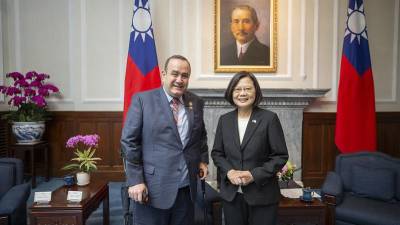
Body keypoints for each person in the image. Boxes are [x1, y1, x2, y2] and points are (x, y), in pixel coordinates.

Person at [121, 55, 209, 225]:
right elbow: (129, 141)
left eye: (184, 75)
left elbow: (200, 135)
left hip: (186, 188)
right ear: (163, 74)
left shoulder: (195, 102)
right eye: (174, 74)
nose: (179, 80)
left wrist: (202, 160)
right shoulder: (143, 100)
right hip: (153, 189)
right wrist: (135, 180)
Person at [211, 71, 288, 225]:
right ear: (231, 92)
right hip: (232, 196)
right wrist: (230, 172)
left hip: (262, 195)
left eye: (247, 89)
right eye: (237, 89)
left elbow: (280, 156)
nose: (242, 93)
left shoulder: (269, 118)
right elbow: (217, 153)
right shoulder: (224, 120)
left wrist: (253, 175)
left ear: (256, 91)